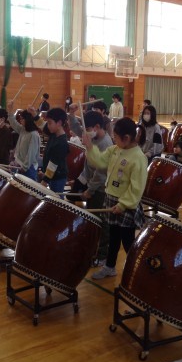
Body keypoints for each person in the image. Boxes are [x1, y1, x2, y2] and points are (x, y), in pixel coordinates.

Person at [84, 117, 148, 280]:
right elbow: (99, 161)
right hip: (111, 199)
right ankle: (110, 267)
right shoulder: (115, 149)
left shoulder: (138, 158)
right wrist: (90, 147)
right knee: (113, 237)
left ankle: (136, 272)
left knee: (128, 242)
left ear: (126, 138)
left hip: (126, 205)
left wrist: (123, 204)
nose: (114, 140)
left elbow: (137, 188)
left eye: (116, 137)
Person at [69, 110, 113, 266]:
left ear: (97, 127)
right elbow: (77, 128)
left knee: (102, 222)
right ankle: (93, 250)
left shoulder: (105, 144)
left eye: (87, 129)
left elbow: (101, 174)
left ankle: (102, 255)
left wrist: (90, 190)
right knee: (93, 220)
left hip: (101, 190)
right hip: (92, 185)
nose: (85, 132)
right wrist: (71, 114)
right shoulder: (93, 137)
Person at [7, 101, 40, 181]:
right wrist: (10, 111)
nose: (20, 120)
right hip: (20, 165)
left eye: (22, 118)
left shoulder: (34, 135)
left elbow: (31, 154)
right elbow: (13, 123)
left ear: (28, 119)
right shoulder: (23, 129)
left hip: (28, 168)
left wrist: (24, 167)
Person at [40, 108, 69, 193]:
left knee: (56, 198)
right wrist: (34, 114)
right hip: (52, 175)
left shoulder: (62, 143)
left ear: (59, 123)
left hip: (58, 177)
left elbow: (53, 164)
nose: (47, 125)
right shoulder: (53, 133)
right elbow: (42, 126)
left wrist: (45, 181)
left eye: (49, 123)